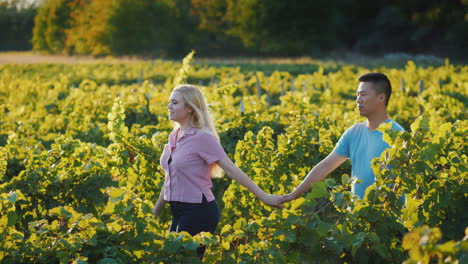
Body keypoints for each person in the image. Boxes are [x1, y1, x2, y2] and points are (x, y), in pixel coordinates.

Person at [153, 84, 283, 258]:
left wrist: (264, 196)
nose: (169, 106)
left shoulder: (203, 137)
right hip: (177, 211)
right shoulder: (174, 137)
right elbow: (170, 178)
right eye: (170, 102)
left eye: (175, 103)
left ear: (190, 108)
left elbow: (231, 169)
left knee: (182, 259)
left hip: (198, 211)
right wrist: (155, 211)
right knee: (171, 258)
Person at [280, 72, 404, 203]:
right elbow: (325, 167)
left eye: (363, 95)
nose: (358, 100)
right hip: (358, 217)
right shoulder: (353, 132)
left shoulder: (398, 135)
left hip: (389, 219)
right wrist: (292, 195)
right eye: (357, 95)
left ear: (381, 98)